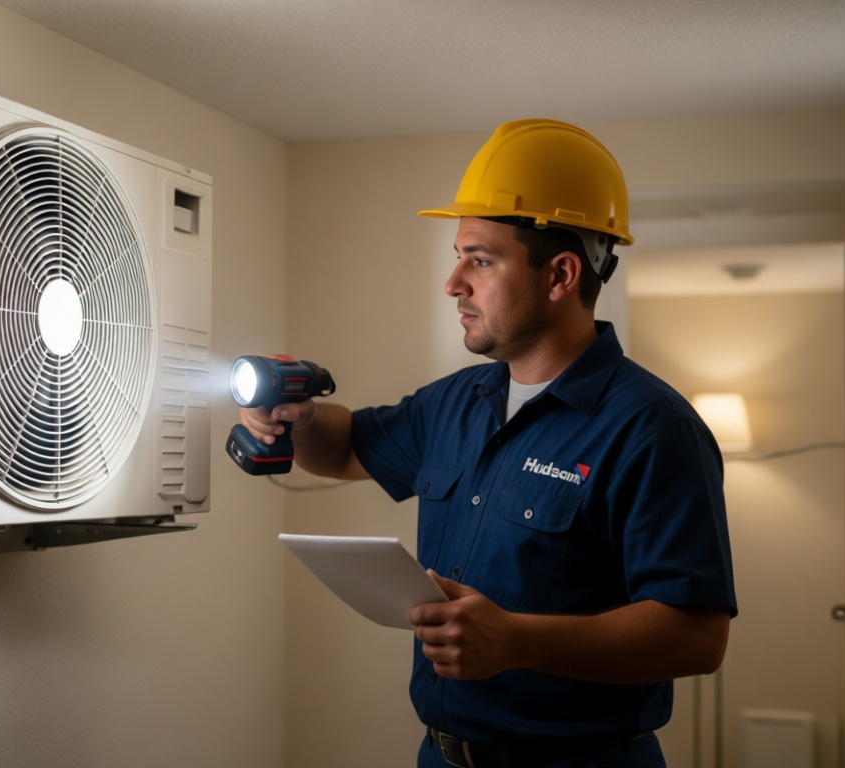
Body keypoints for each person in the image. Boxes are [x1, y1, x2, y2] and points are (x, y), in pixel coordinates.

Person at [239, 119, 737, 767]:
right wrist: (297, 418)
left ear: (559, 275)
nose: (453, 283)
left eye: (479, 259)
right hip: (444, 755)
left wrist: (520, 642)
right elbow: (344, 448)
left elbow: (696, 637)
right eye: (458, 256)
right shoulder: (457, 401)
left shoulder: (651, 428)